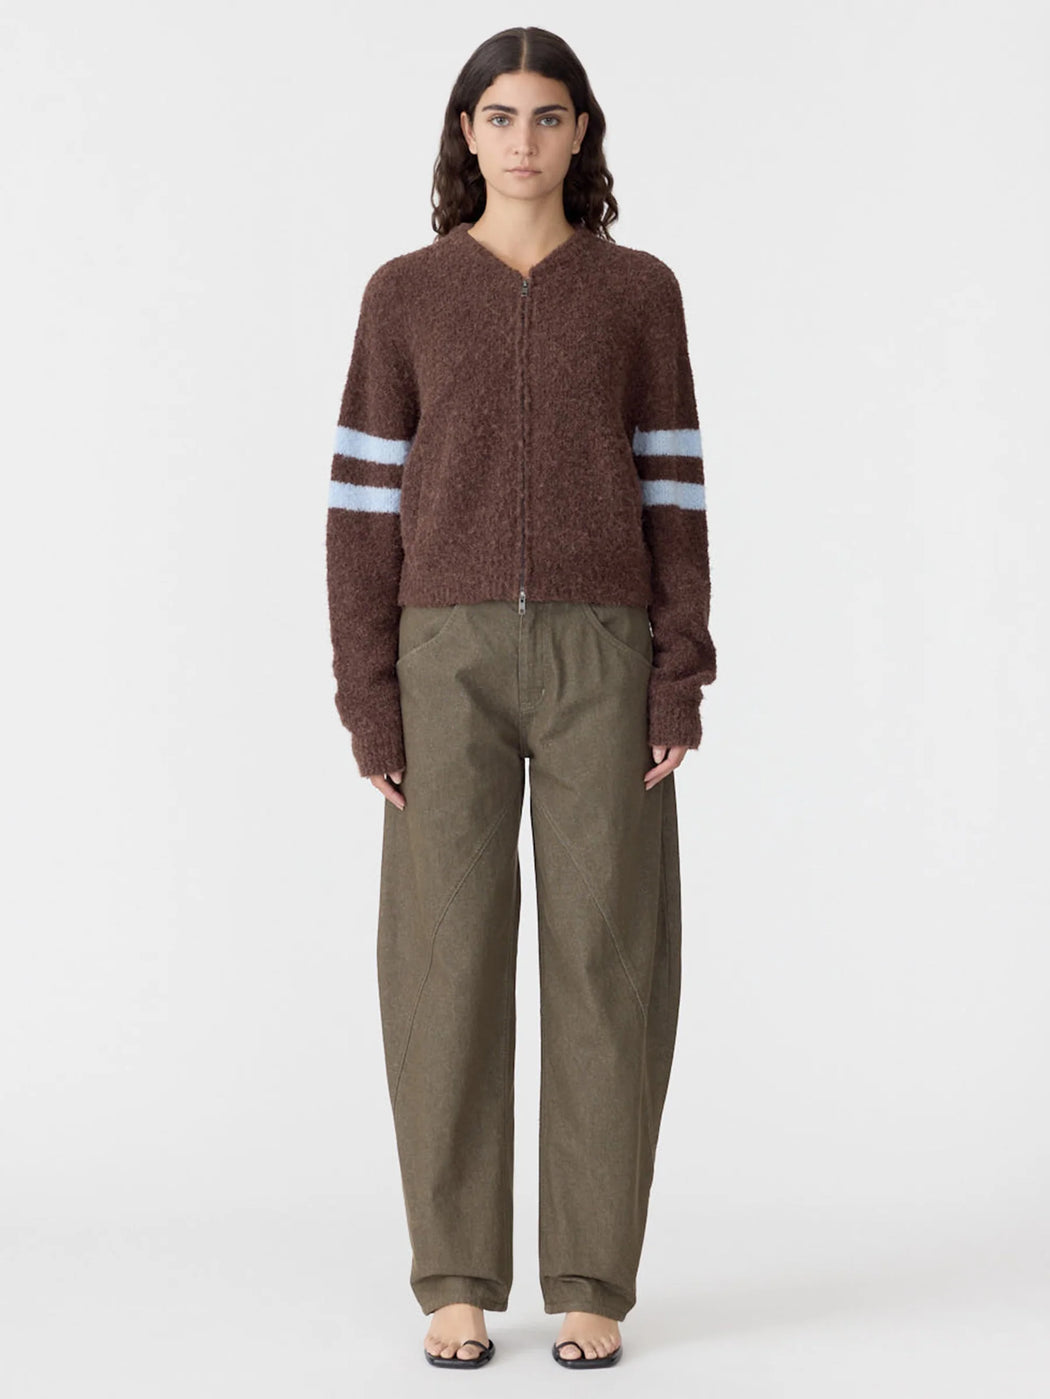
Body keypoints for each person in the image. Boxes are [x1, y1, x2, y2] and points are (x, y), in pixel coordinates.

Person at [325, 25, 716, 1370]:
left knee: (610, 960)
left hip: (606, 652)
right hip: (442, 659)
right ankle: (455, 1278)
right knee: (442, 965)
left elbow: (674, 489)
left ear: (581, 132)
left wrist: (678, 672)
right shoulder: (405, 294)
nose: (523, 140)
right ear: (466, 133)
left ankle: (592, 1276)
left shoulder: (638, 292)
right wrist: (369, 699)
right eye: (499, 116)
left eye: (548, 116)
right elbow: (359, 509)